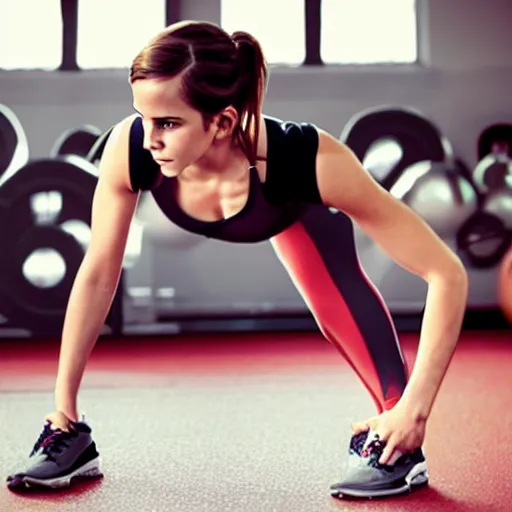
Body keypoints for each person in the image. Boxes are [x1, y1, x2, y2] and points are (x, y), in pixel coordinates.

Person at [6, 20, 468, 499]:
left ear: (223, 122)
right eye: (142, 116)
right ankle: (70, 436)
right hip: (247, 195)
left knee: (334, 297)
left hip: (285, 209)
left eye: (167, 122)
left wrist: (414, 409)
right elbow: (99, 273)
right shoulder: (132, 148)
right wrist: (63, 408)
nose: (148, 138)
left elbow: (446, 272)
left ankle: (399, 444)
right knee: (96, 278)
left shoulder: (310, 160)